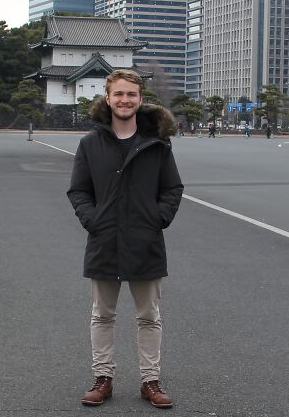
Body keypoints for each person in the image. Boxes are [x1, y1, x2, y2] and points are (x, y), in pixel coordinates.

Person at [68, 69, 183, 408]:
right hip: (104, 240)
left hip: (145, 240)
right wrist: (93, 221)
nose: (124, 100)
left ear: (140, 99)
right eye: (118, 94)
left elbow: (172, 188)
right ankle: (102, 378)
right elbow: (78, 190)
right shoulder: (91, 143)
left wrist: (157, 219)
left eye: (131, 94)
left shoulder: (157, 144)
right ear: (108, 98)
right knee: (102, 314)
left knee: (149, 315)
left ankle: (151, 380)